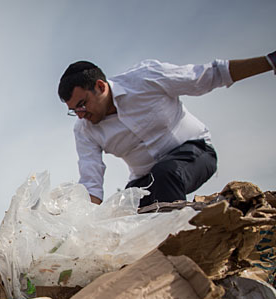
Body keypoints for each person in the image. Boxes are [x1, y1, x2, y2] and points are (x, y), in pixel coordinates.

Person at [58, 51, 276, 207]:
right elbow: (91, 184)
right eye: (73, 110)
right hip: (145, 179)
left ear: (100, 86)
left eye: (82, 104)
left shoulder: (145, 79)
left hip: (195, 153)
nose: (80, 114)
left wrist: (269, 62)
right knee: (120, 212)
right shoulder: (84, 130)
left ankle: (179, 250)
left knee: (165, 173)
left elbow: (209, 76)